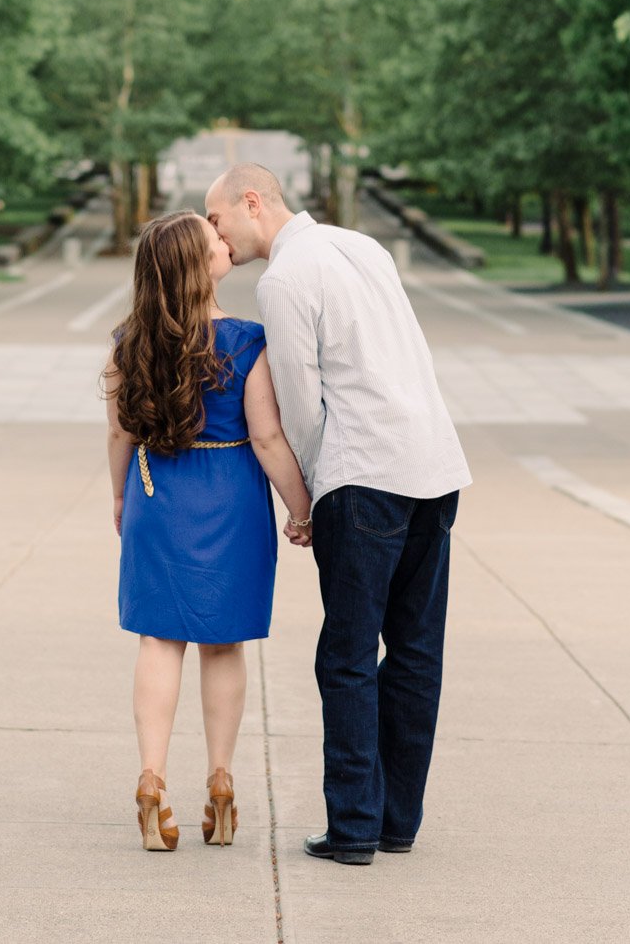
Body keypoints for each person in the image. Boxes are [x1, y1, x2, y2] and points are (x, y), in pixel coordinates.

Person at [205, 163, 472, 868]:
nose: (216, 234)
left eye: (218, 218)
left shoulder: (283, 279)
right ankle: (396, 820)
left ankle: (353, 826)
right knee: (415, 651)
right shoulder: (365, 247)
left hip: (366, 474)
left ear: (252, 202)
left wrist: (314, 497)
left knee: (347, 655)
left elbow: (301, 400)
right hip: (434, 464)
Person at [103, 209, 314, 852]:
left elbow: (119, 431)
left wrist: (118, 498)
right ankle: (221, 784)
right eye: (214, 241)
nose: (226, 243)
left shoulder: (128, 340)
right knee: (223, 647)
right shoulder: (248, 340)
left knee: (159, 641)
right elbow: (268, 436)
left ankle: (150, 780)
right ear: (201, 267)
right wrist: (301, 507)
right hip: (229, 498)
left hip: (154, 494)